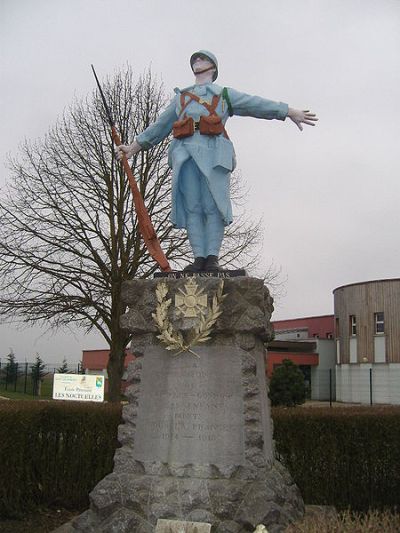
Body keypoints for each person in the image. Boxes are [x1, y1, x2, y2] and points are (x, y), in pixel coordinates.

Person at [116, 50, 318, 272]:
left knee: (214, 207)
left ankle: (212, 257)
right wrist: (133, 148)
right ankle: (199, 258)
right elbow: (160, 126)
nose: (197, 62)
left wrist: (288, 111)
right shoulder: (181, 98)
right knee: (193, 206)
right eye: (195, 60)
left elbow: (255, 104)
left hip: (214, 155)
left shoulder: (224, 95)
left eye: (202, 59)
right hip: (185, 155)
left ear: (213, 67)